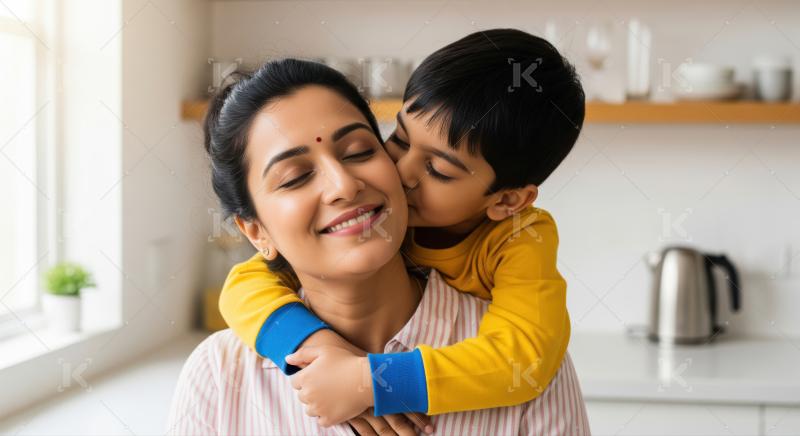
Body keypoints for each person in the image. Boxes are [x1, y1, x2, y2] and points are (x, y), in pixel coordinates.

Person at [167, 58, 589, 435]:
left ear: (507, 200)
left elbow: (527, 360)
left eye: (358, 150)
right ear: (256, 232)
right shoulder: (219, 375)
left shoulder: (524, 343)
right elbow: (244, 283)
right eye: (295, 177)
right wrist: (311, 346)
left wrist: (370, 379)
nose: (345, 185)